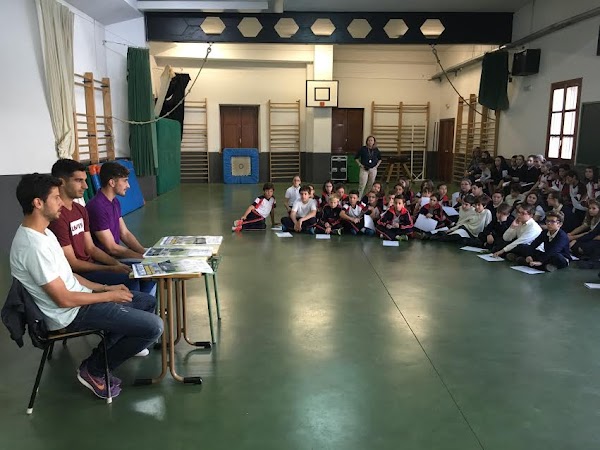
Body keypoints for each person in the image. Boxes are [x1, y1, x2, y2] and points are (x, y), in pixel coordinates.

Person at [9, 173, 163, 399]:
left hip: (78, 299)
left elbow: (69, 276)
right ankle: (94, 369)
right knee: (153, 327)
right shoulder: (32, 247)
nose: (61, 202)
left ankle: (102, 357)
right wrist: (108, 297)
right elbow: (63, 299)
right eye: (55, 197)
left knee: (146, 302)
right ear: (38, 203)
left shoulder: (45, 233)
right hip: (68, 314)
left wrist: (104, 288)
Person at [48, 159, 141, 292]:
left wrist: (116, 264)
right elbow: (72, 264)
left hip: (92, 265)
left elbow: (91, 248)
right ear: (61, 182)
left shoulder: (80, 210)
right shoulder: (57, 216)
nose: (86, 186)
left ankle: (145, 307)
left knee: (144, 274)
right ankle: (133, 308)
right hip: (78, 275)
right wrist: (110, 267)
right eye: (79, 180)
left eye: (85, 180)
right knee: (133, 277)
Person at [86, 162, 146, 258]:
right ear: (112, 183)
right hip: (106, 262)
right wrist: (142, 258)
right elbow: (111, 248)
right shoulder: (97, 207)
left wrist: (144, 253)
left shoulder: (115, 202)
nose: (128, 185)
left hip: (116, 256)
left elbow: (124, 233)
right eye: (125, 181)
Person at [505, 211, 570, 272]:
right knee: (523, 246)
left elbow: (553, 251)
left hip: (560, 258)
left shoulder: (562, 236)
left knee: (556, 256)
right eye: (547, 221)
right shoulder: (545, 232)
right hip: (546, 255)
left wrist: (541, 261)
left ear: (560, 224)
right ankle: (542, 265)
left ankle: (529, 263)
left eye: (552, 221)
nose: (549, 223)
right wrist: (529, 255)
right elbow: (534, 244)